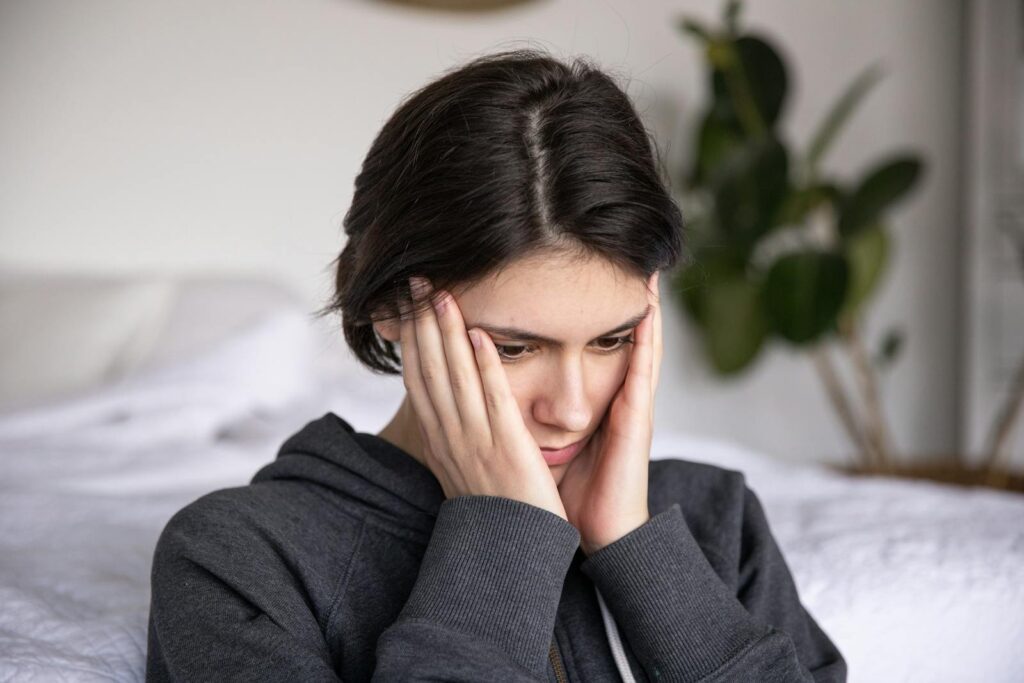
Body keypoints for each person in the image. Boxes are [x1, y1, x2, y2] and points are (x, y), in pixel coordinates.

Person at [145, 49, 847, 682]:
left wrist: (639, 551)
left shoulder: (717, 523)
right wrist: (503, 535)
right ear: (389, 303)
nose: (571, 408)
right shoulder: (237, 560)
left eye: (611, 340)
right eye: (514, 347)